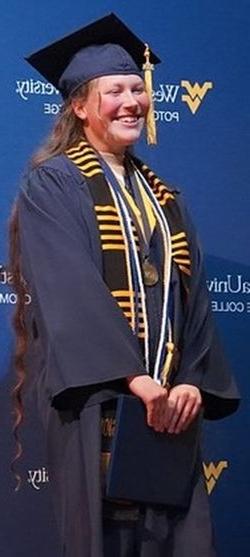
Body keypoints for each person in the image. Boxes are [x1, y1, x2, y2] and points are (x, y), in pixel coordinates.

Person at [10, 13, 239, 557]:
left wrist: (190, 383)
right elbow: (69, 292)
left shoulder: (166, 196)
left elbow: (195, 299)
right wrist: (136, 382)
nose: (133, 100)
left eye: (138, 88)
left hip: (170, 406)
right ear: (79, 106)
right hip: (100, 401)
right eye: (115, 90)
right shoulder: (54, 183)